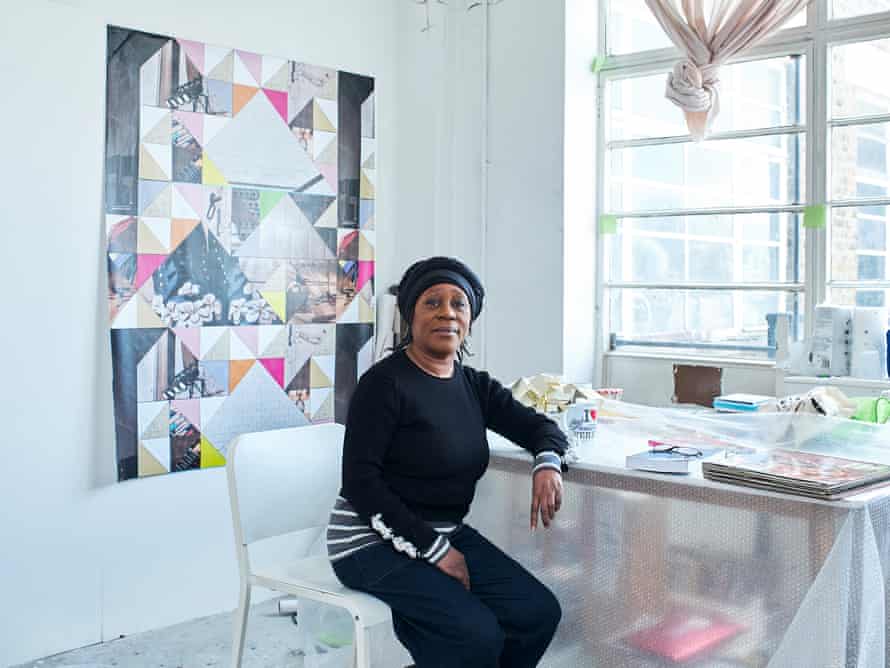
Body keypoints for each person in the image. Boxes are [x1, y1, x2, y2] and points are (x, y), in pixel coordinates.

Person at [327, 256, 567, 667]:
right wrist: (436, 550)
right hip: (367, 542)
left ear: (470, 318)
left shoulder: (474, 386)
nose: (447, 313)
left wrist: (547, 463)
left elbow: (541, 428)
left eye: (459, 303)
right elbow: (361, 484)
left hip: (441, 532)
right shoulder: (384, 385)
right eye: (432, 302)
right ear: (410, 316)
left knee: (536, 614)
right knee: (475, 637)